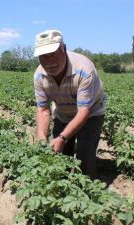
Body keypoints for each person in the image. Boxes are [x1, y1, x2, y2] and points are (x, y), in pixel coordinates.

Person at [33, 29, 106, 179]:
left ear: (64, 49)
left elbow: (83, 111)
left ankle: (87, 192)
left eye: (53, 54)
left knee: (84, 156)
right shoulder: (39, 75)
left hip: (91, 112)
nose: (49, 61)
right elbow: (43, 109)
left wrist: (63, 137)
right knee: (60, 156)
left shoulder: (84, 70)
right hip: (63, 113)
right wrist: (41, 136)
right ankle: (63, 189)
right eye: (43, 56)